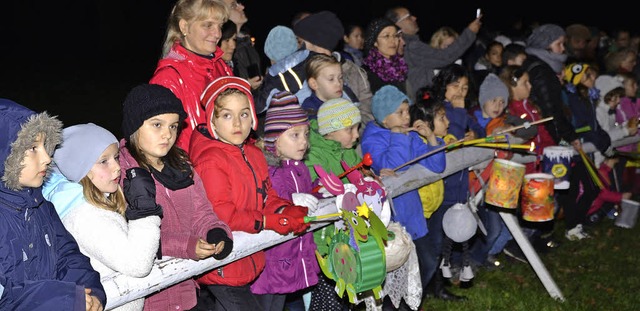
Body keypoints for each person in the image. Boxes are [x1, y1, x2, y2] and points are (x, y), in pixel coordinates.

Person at [189, 76, 310, 311]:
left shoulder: (253, 154)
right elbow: (222, 214)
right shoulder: (210, 160)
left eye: (244, 114)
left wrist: (286, 209)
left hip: (249, 261)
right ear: (212, 119)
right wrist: (269, 221)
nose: (237, 123)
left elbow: (267, 196)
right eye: (227, 115)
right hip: (222, 266)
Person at [119, 84, 234, 310]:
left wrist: (216, 233)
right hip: (148, 299)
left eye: (173, 126)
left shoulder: (181, 165)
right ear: (134, 126)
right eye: (157, 125)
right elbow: (129, 238)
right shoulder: (121, 175)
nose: (167, 134)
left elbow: (202, 212)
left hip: (186, 293)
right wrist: (186, 245)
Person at [0, 99, 105, 311]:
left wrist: (89, 292)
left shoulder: (40, 206)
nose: (48, 157)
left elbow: (68, 255)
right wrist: (61, 299)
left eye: (45, 146)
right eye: (32, 148)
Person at [43, 123, 161, 311]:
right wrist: (144, 211)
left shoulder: (88, 205)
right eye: (103, 161)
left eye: (116, 157)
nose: (116, 168)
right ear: (79, 167)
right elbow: (138, 263)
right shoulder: (85, 215)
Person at [361, 85, 450, 302]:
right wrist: (397, 135)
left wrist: (430, 138)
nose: (406, 117)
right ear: (383, 117)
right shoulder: (372, 139)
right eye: (399, 113)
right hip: (391, 218)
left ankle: (412, 301)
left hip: (412, 213)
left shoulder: (408, 135)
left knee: (428, 261)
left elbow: (437, 165)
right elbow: (396, 167)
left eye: (406, 111)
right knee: (396, 271)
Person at [253, 91, 320, 311]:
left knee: (280, 304)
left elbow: (308, 195)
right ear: (274, 138)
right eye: (295, 135)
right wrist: (291, 200)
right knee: (268, 304)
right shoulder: (270, 170)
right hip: (274, 256)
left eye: (306, 134)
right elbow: (270, 200)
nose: (304, 142)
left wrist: (322, 191)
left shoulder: (300, 168)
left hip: (294, 251)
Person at [150, 0, 233, 151]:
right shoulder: (168, 78)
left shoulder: (222, 67)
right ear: (184, 27)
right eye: (208, 25)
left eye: (219, 26)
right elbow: (160, 145)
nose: (218, 34)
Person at [304, 97, 362, 310]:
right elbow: (314, 191)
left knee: (347, 294)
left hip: (346, 236)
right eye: (351, 129)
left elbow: (358, 177)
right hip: (325, 243)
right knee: (331, 301)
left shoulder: (347, 150)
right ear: (330, 130)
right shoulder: (314, 155)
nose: (356, 135)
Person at [561, 63, 612, 241]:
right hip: (577, 151)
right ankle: (572, 226)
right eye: (587, 76)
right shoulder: (574, 99)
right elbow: (583, 127)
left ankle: (574, 226)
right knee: (583, 189)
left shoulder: (585, 98)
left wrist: (604, 139)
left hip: (585, 151)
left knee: (585, 189)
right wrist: (601, 141)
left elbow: (594, 125)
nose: (593, 79)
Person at [386, 6, 481, 97]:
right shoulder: (410, 46)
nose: (414, 18)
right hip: (422, 102)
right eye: (408, 17)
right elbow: (444, 57)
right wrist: (470, 32)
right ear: (397, 24)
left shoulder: (410, 45)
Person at [220, 0, 263, 91]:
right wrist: (245, 86)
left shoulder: (246, 42)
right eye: (233, 6)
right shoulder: (220, 49)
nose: (242, 7)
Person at [301, 54, 357, 118]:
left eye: (340, 77)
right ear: (314, 84)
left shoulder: (346, 102)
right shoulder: (310, 110)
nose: (338, 83)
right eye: (331, 79)